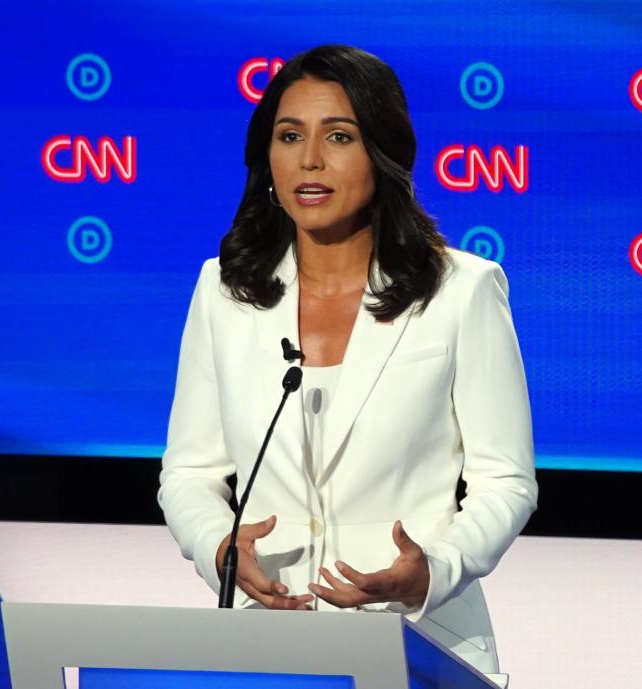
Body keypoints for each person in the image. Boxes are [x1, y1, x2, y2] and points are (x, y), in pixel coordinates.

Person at [157, 44, 536, 673]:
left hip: (421, 642)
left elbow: (507, 481)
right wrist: (217, 546)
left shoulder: (460, 290)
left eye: (339, 136)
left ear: (382, 154)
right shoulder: (223, 291)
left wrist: (433, 571)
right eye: (288, 135)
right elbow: (190, 473)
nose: (309, 160)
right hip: (267, 644)